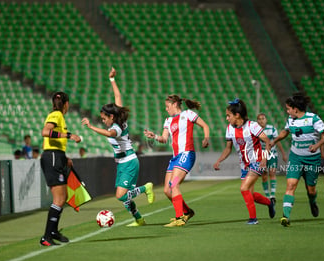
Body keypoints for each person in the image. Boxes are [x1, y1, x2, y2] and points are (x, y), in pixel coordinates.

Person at [82, 67, 155, 227]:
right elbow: (118, 96)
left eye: (103, 119)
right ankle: (139, 219)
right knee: (124, 198)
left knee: (121, 196)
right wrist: (112, 79)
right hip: (122, 164)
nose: (102, 121)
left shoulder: (118, 127)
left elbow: (109, 134)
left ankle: (145, 188)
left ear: (111, 116)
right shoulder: (117, 118)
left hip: (129, 162)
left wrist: (90, 126)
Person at [144, 95, 210, 227]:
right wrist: (154, 136)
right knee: (167, 190)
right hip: (175, 158)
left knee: (174, 185)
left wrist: (206, 138)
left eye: (167, 106)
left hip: (186, 155)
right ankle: (187, 212)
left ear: (175, 104)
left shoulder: (188, 114)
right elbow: (164, 138)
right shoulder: (168, 120)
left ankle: (180, 217)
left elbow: (205, 126)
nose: (166, 109)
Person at [271, 93, 324, 227]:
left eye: (288, 109)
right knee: (291, 185)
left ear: (295, 109)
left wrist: (316, 146)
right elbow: (285, 132)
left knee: (311, 190)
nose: (287, 111)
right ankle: (286, 216)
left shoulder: (313, 118)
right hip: (295, 157)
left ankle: (312, 201)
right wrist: (274, 141)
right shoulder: (290, 120)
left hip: (312, 160)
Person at [213, 99, 275, 225]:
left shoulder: (252, 126)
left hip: (256, 161)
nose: (226, 118)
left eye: (228, 115)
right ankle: (269, 203)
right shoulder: (230, 129)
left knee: (243, 188)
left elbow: (267, 141)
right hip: (244, 164)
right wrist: (219, 160)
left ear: (237, 115)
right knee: (249, 194)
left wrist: (264, 158)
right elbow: (228, 148)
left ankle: (253, 219)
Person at [39, 91, 82, 246]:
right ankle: (46, 236)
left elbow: (54, 142)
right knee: (58, 198)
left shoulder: (59, 116)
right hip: (51, 157)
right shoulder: (56, 115)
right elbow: (45, 132)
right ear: (66, 104)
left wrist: (64, 158)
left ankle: (53, 231)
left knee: (62, 198)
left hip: (56, 157)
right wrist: (69, 135)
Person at [256, 113, 288, 204]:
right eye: (259, 119)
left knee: (272, 172)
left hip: (272, 154)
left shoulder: (272, 128)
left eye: (263, 118)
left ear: (266, 120)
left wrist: (283, 153)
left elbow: (277, 141)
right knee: (264, 175)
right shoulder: (255, 130)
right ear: (257, 121)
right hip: (261, 155)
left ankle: (272, 195)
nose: (261, 120)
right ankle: (267, 196)